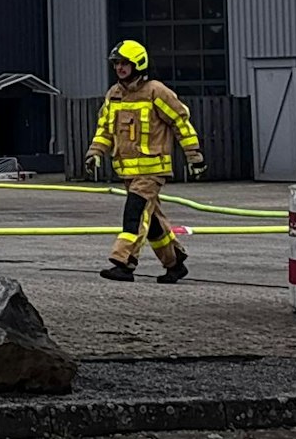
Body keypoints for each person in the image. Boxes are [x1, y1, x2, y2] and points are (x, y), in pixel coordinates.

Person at [85, 39, 206, 283]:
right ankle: (174, 263)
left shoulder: (156, 91)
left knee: (135, 212)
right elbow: (105, 128)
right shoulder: (115, 94)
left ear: (137, 64)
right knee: (152, 223)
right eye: (116, 63)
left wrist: (194, 156)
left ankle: (124, 262)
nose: (119, 68)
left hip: (152, 170)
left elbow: (181, 122)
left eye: (125, 63)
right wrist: (94, 152)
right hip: (128, 172)